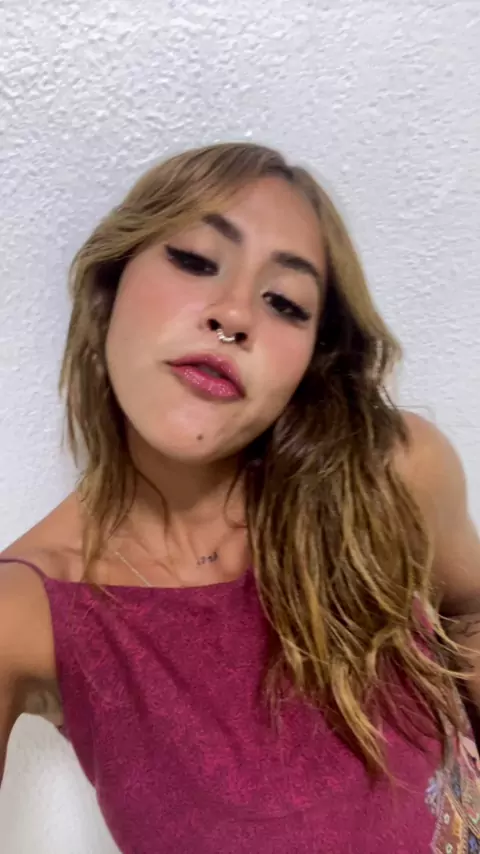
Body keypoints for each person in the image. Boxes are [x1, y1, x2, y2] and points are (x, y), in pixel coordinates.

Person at [1, 142, 479, 853]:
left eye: (285, 303)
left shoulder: (394, 472)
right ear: (108, 290)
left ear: (312, 360)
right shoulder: (27, 614)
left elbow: (469, 615)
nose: (233, 315)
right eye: (196, 260)